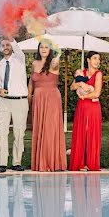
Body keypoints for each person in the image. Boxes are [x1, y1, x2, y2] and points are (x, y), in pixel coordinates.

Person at [29, 41, 66, 172]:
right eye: (41, 47)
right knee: (40, 129)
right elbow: (31, 82)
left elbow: (56, 61)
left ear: (50, 50)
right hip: (38, 99)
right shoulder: (34, 63)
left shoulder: (54, 63)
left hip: (51, 98)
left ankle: (52, 162)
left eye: (46, 47)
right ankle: (41, 162)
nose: (43, 49)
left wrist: (58, 52)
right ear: (38, 49)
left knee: (50, 129)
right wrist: (29, 98)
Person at [0, 38, 29, 173]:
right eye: (3, 45)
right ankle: (2, 163)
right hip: (4, 102)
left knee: (19, 133)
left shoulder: (20, 59)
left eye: (7, 44)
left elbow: (18, 50)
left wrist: (10, 37)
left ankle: (16, 162)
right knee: (2, 133)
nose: (5, 47)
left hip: (20, 101)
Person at [70, 51, 104, 171]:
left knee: (91, 133)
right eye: (95, 58)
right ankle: (81, 163)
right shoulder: (81, 72)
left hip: (93, 107)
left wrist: (84, 96)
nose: (97, 61)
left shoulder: (98, 74)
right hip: (82, 107)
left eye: (98, 59)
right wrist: (80, 83)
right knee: (81, 133)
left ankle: (91, 163)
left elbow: (97, 93)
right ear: (88, 60)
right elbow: (72, 87)